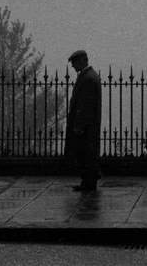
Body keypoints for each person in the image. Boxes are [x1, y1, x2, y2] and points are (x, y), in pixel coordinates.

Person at [66, 49, 101, 192]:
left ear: (82, 61)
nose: (73, 66)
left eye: (74, 63)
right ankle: (87, 181)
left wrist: (79, 125)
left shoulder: (88, 78)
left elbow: (85, 105)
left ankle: (89, 182)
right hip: (88, 124)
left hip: (86, 125)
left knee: (86, 153)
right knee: (86, 153)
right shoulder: (89, 76)